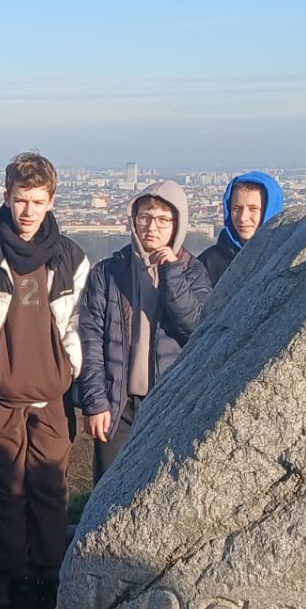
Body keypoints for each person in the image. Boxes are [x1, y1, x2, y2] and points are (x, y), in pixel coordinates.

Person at [0, 152, 90, 609]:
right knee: (6, 495)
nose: (28, 211)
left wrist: (69, 372)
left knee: (50, 493)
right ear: (6, 197)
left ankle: (49, 585)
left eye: (37, 202)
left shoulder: (70, 258)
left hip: (52, 397)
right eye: (21, 200)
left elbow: (79, 324)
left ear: (51, 201)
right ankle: (19, 589)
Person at [77, 181, 213, 482]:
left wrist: (172, 273)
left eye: (163, 219)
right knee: (109, 488)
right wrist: (95, 402)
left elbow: (196, 328)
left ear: (178, 224)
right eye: (145, 217)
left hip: (170, 402)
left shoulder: (193, 273)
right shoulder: (108, 273)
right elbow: (91, 340)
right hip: (117, 405)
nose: (152, 227)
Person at [199, 170, 285, 285]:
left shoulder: (286, 257)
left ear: (270, 211)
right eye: (236, 208)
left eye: (253, 209)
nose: (243, 217)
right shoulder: (207, 264)